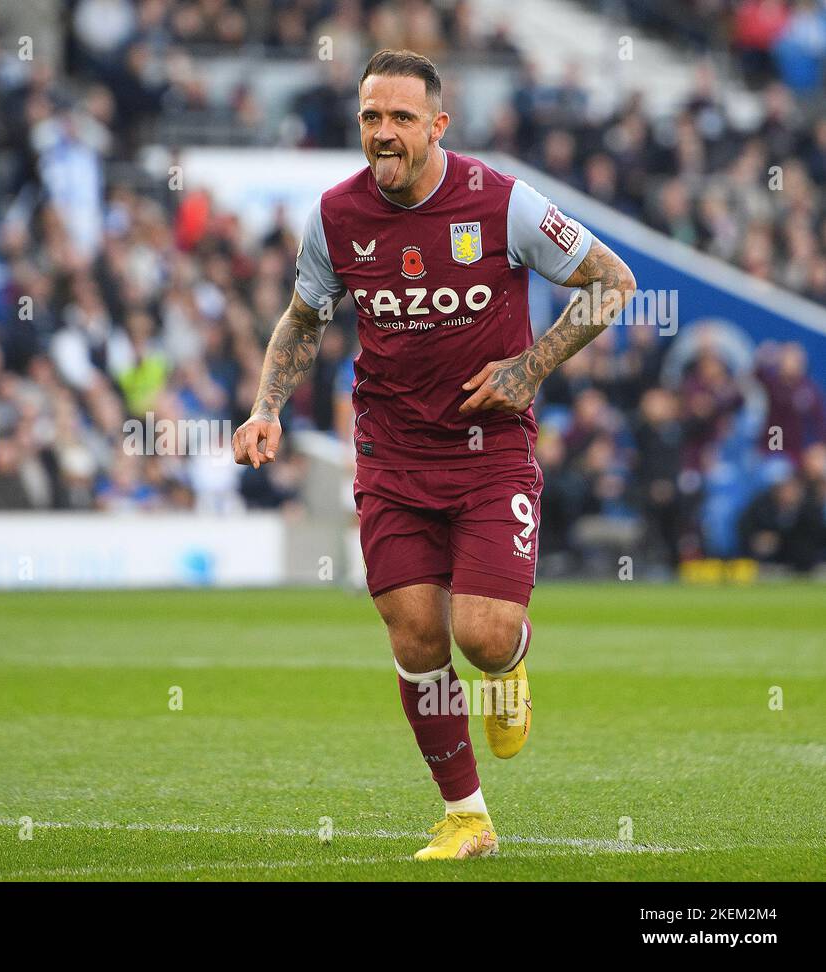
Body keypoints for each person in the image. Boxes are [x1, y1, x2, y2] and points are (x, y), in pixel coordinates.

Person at [233, 49, 636, 860]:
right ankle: (466, 818)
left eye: (401, 118)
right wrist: (264, 407)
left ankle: (512, 663)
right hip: (391, 453)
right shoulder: (334, 216)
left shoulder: (504, 202)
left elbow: (613, 281)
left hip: (489, 454)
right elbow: (304, 318)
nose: (383, 134)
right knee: (417, 637)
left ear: (437, 125)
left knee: (482, 635)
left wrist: (532, 365)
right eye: (371, 118)